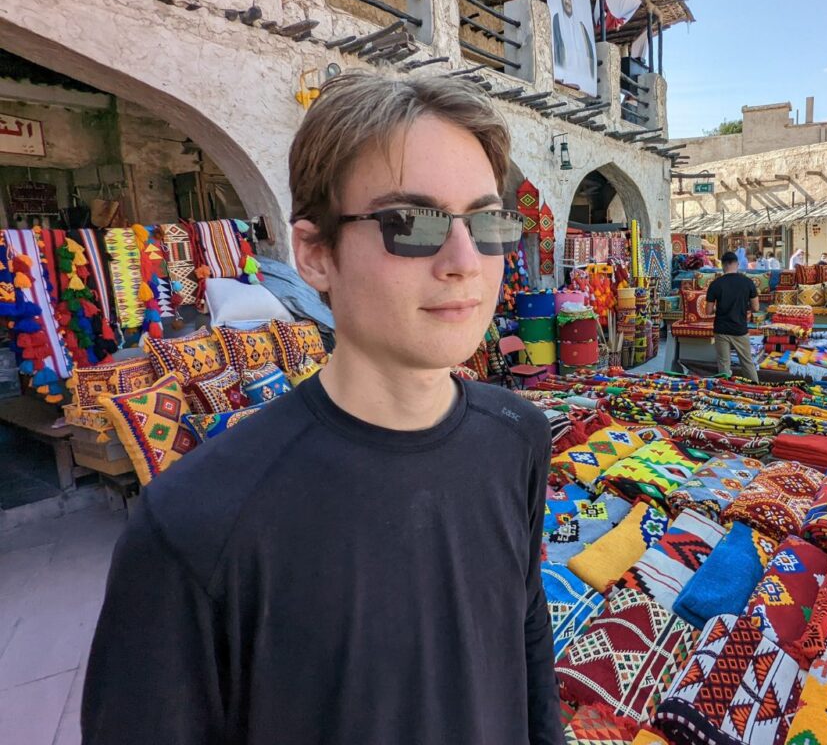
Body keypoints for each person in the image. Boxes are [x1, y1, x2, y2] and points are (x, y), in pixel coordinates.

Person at [82, 73, 563, 745]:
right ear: (314, 254)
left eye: (487, 221)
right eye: (412, 223)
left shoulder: (517, 435)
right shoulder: (196, 523)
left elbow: (525, 633)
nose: (466, 260)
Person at [705, 251, 760, 382]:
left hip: (721, 329)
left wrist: (720, 307)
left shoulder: (715, 284)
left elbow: (708, 311)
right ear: (737, 264)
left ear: (723, 265)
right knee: (747, 363)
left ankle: (725, 391)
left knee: (724, 365)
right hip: (740, 330)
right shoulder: (748, 282)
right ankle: (756, 389)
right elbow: (756, 308)